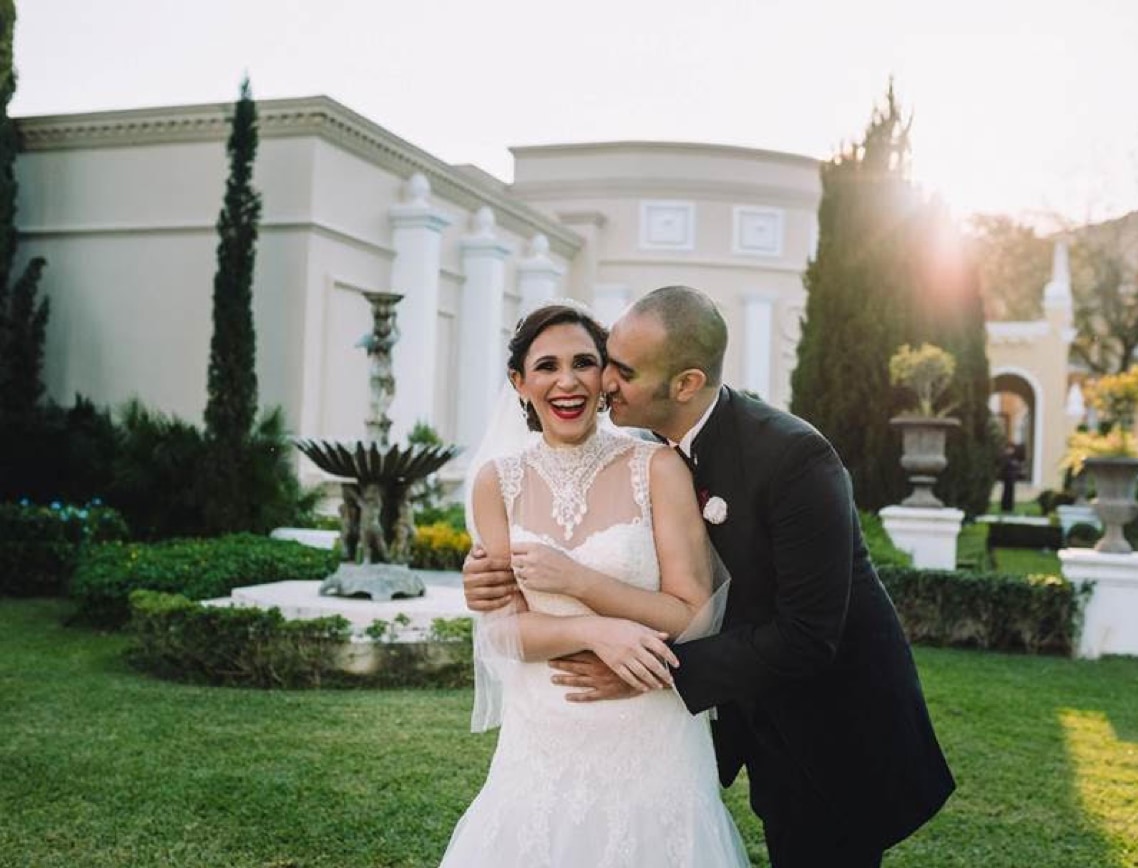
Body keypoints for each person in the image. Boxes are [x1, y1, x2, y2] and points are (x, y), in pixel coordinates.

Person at [464, 286, 956, 868]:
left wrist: (652, 671)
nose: (601, 384)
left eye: (613, 368)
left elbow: (806, 635)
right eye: (607, 363)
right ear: (519, 382)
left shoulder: (794, 458)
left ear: (685, 384)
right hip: (717, 712)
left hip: (830, 725)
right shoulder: (646, 447)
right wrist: (487, 583)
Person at [439, 302, 749, 867]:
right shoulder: (496, 483)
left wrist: (578, 581)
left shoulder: (657, 468)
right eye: (547, 366)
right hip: (544, 735)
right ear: (520, 381)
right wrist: (594, 629)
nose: (567, 381)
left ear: (606, 374)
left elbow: (695, 615)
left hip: (652, 729)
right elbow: (503, 629)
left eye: (584, 362)